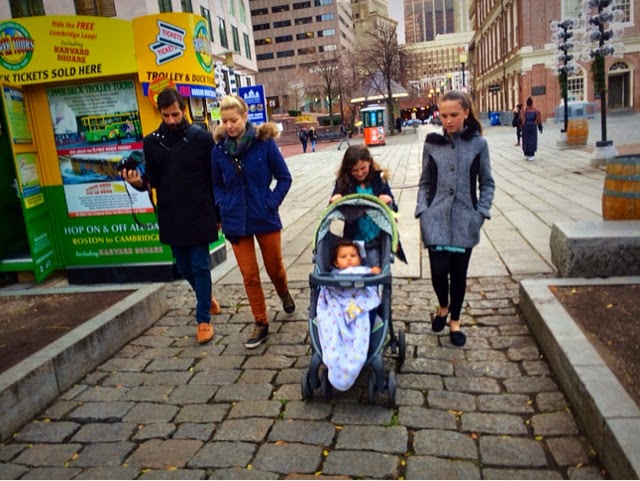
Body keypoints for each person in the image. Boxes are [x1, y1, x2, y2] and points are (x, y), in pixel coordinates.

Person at [121, 88, 220, 345]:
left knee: (199, 265)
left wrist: (218, 214)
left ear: (183, 110)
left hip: (200, 211)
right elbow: (151, 180)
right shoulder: (151, 142)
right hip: (171, 213)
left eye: (175, 114)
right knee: (183, 266)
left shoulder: (202, 138)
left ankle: (203, 320)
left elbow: (214, 179)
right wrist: (137, 183)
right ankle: (205, 296)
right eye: (166, 116)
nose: (171, 120)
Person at [211, 95, 295, 349]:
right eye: (224, 121)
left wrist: (271, 202)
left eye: (233, 120)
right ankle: (261, 322)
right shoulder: (218, 151)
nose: (228, 126)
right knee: (249, 275)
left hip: (264, 215)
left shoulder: (264, 144)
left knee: (274, 268)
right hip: (235, 220)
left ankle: (283, 292)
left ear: (244, 117)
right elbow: (216, 185)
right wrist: (223, 204)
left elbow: (284, 177)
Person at [414, 90, 495, 347]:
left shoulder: (478, 145)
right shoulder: (432, 144)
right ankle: (443, 306)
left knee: (459, 275)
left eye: (454, 115)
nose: (448, 120)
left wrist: (480, 212)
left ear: (466, 113)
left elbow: (487, 182)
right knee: (438, 272)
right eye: (444, 115)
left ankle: (455, 322)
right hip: (435, 218)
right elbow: (425, 182)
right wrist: (422, 210)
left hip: (465, 219)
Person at [316, 240, 381, 391]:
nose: (349, 259)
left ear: (360, 258)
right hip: (338, 305)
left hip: (359, 304)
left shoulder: (365, 272)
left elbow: (373, 288)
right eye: (343, 257)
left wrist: (374, 272)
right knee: (332, 322)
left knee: (365, 317)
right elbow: (328, 291)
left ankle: (355, 352)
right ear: (336, 262)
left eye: (353, 255)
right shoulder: (332, 275)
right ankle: (339, 355)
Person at [329, 145, 397, 271]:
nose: (360, 173)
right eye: (354, 170)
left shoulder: (379, 180)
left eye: (363, 168)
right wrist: (334, 200)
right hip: (354, 238)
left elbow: (394, 208)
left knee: (375, 268)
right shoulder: (344, 182)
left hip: (376, 235)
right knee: (352, 270)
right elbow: (332, 207)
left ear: (369, 162)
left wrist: (389, 200)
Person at [520, 97, 543, 161]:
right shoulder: (535, 110)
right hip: (533, 127)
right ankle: (531, 155)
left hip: (525, 127)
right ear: (532, 103)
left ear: (527, 103)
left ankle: (527, 153)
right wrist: (540, 127)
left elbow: (521, 120)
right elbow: (539, 120)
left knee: (526, 140)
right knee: (532, 140)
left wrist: (521, 128)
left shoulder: (524, 111)